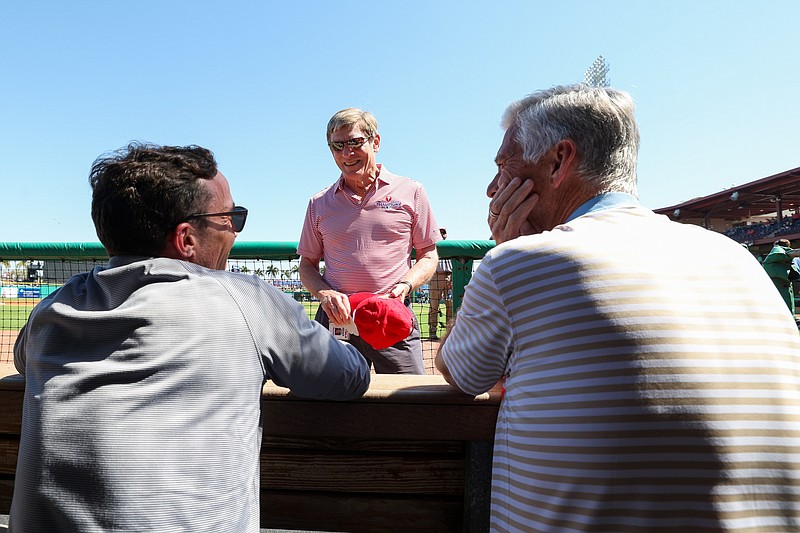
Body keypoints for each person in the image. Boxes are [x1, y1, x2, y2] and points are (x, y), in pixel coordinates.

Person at [435, 84, 800, 532]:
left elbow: (459, 370)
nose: (492, 186)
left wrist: (504, 249)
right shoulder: (739, 258)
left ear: (557, 161)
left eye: (503, 165)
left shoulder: (520, 261)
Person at [11, 143, 371, 532]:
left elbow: (21, 358)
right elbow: (349, 376)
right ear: (186, 239)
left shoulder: (53, 310)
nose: (234, 229)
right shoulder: (246, 300)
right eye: (231, 217)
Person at [298, 108, 441, 374]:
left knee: (410, 403)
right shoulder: (318, 203)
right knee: (328, 406)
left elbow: (429, 255)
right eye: (337, 146)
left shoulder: (411, 191)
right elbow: (307, 264)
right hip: (336, 318)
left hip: (391, 315)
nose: (346, 153)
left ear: (375, 142)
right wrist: (324, 293)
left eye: (354, 142)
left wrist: (405, 285)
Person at [761, 238, 800, 314]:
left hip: (780, 281)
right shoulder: (793, 258)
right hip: (790, 280)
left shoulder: (777, 249)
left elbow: (788, 253)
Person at [427, 227, 453, 340]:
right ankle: (432, 332)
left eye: (444, 233)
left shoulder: (451, 246)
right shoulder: (432, 246)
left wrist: (452, 279)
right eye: (440, 232)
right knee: (434, 306)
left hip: (450, 276)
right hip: (435, 276)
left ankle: (449, 333)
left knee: (451, 306)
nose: (442, 234)